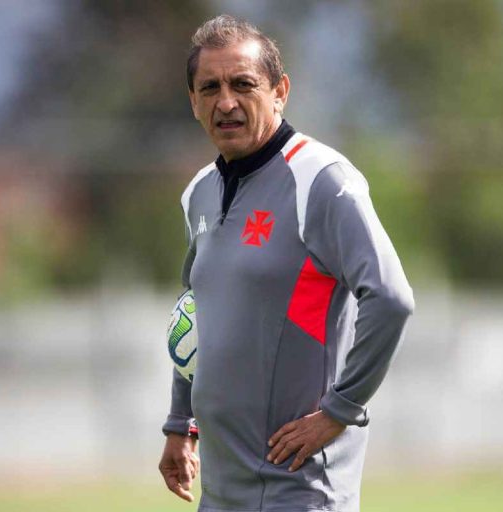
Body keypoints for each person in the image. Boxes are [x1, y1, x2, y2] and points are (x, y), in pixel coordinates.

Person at [158, 15, 414, 512]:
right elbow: (197, 317)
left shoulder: (323, 180)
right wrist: (180, 424)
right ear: (192, 101)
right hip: (221, 493)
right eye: (209, 88)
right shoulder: (199, 193)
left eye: (243, 84)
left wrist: (339, 411)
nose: (225, 102)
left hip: (302, 492)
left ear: (280, 91)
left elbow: (390, 298)